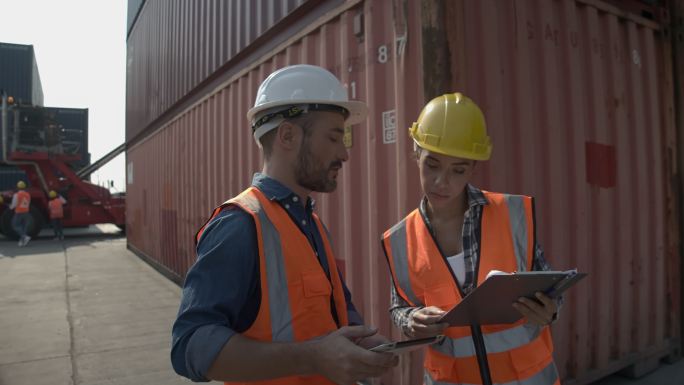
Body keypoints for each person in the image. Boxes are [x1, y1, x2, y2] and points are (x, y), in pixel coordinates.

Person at [171, 64, 398, 385]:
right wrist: (313, 357)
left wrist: (361, 343)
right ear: (288, 135)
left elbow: (332, 313)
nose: (344, 153)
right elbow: (189, 347)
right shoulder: (238, 224)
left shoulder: (312, 224)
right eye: (334, 137)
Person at [382, 93, 561, 385]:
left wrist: (550, 310)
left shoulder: (512, 215)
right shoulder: (400, 240)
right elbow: (400, 307)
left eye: (458, 170)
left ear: (473, 167)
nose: (442, 181)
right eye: (432, 164)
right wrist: (410, 321)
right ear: (416, 154)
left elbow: (550, 289)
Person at [10, 180, 32, 247]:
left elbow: (14, 204)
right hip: (26, 212)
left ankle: (24, 237)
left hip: (19, 212)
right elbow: (28, 203)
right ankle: (23, 242)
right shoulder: (28, 194)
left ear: (17, 187)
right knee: (23, 226)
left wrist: (10, 207)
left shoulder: (17, 195)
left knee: (15, 225)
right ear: (24, 187)